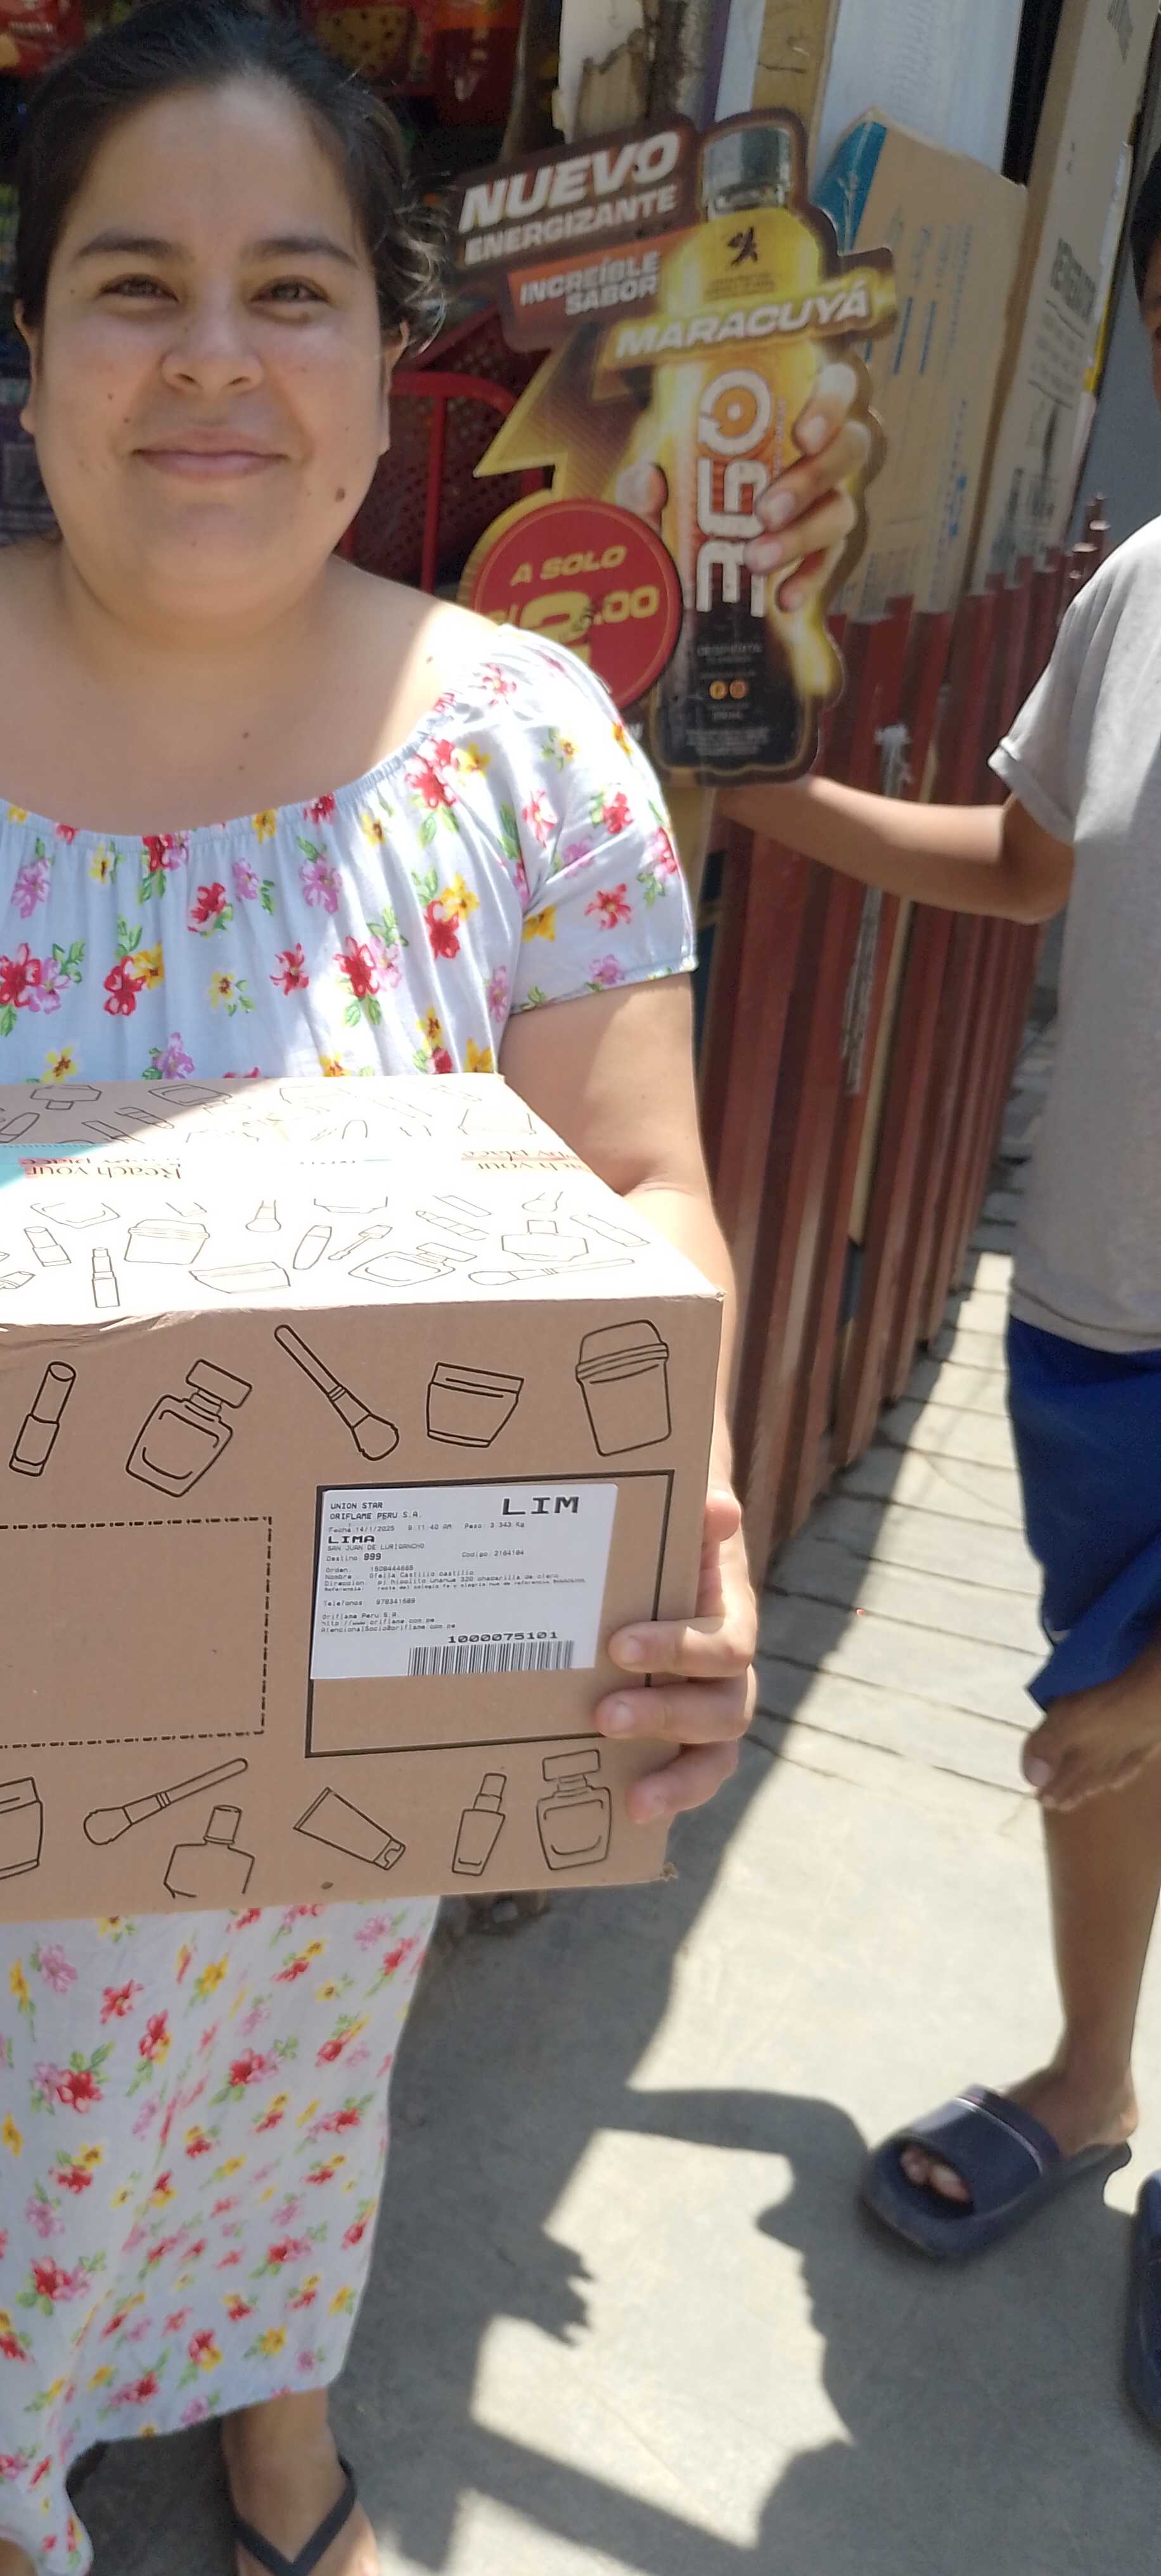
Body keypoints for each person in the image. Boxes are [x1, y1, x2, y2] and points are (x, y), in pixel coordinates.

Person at [0, 8, 759, 2576]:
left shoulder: (524, 755)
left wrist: (685, 1518)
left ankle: (270, 2425)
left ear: (384, 354)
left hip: (351, 1669)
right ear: (31, 351)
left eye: (291, 289)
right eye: (136, 285)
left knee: (287, 2082)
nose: (213, 357)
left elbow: (636, 1180)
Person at [719, 144, 1161, 2423]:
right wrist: (763, 796)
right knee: (1101, 1731)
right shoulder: (1143, 593)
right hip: (1103, 1315)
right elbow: (1022, 866)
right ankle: (1093, 2075)